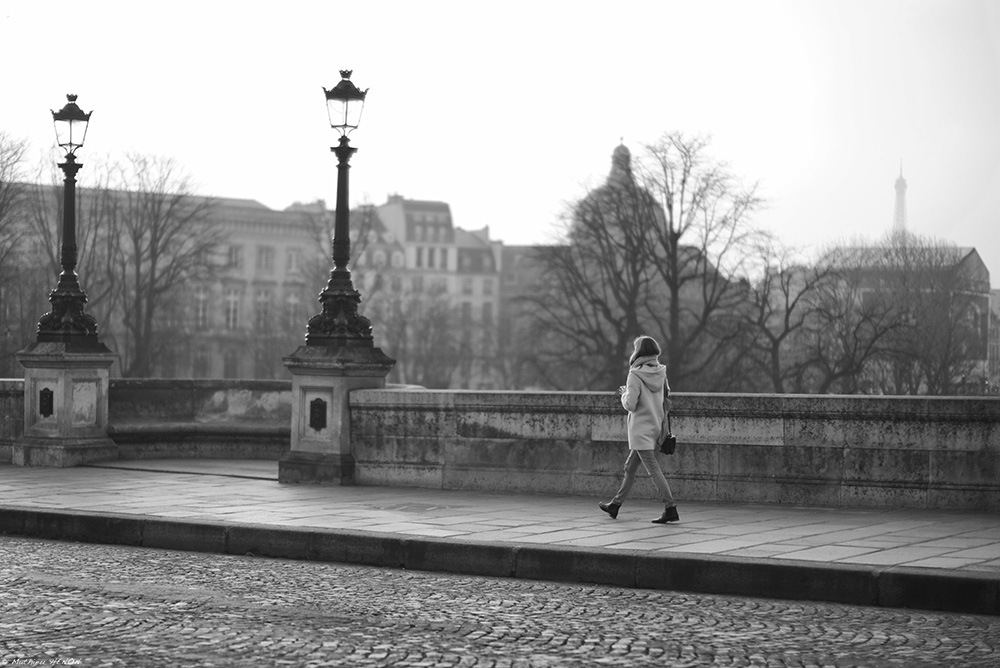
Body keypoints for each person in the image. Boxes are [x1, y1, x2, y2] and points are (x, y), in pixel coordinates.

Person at [599, 335, 679, 523]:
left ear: (638, 352)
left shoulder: (635, 374)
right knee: (630, 467)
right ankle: (615, 505)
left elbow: (630, 404)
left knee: (652, 469)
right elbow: (666, 400)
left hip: (639, 429)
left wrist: (623, 394)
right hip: (654, 426)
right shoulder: (661, 372)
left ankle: (670, 507)